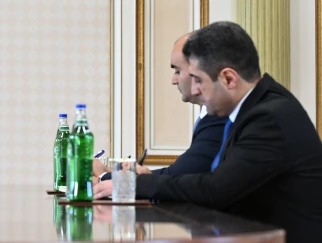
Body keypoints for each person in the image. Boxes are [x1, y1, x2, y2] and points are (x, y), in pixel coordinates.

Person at [95, 21, 322, 242]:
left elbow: (216, 189)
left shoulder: (269, 118)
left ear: (228, 78)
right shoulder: (256, 107)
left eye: (198, 80)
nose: (194, 90)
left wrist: (136, 183)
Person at [94, 34, 227, 180]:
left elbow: (181, 175)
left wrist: (103, 176)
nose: (173, 80)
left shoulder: (219, 117)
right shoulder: (210, 115)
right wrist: (111, 173)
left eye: (178, 71)